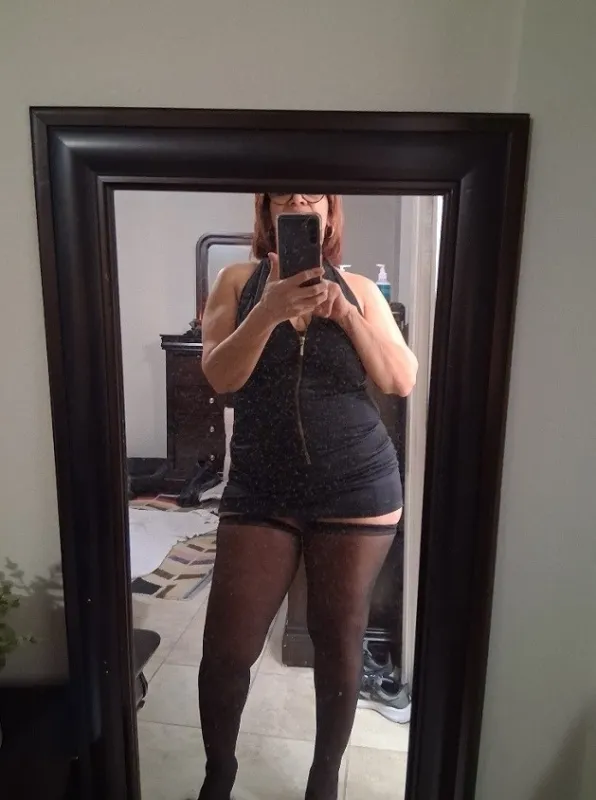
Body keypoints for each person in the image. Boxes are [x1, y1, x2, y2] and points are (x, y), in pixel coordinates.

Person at [197, 192, 418, 800]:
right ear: (267, 211)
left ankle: (323, 781)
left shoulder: (361, 289)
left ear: (329, 213)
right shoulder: (235, 281)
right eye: (286, 191)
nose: (300, 197)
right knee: (227, 648)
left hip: (357, 484)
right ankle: (219, 775)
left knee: (339, 639)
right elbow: (220, 376)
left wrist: (346, 315)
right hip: (262, 487)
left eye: (314, 192)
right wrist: (266, 312)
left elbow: (400, 379)